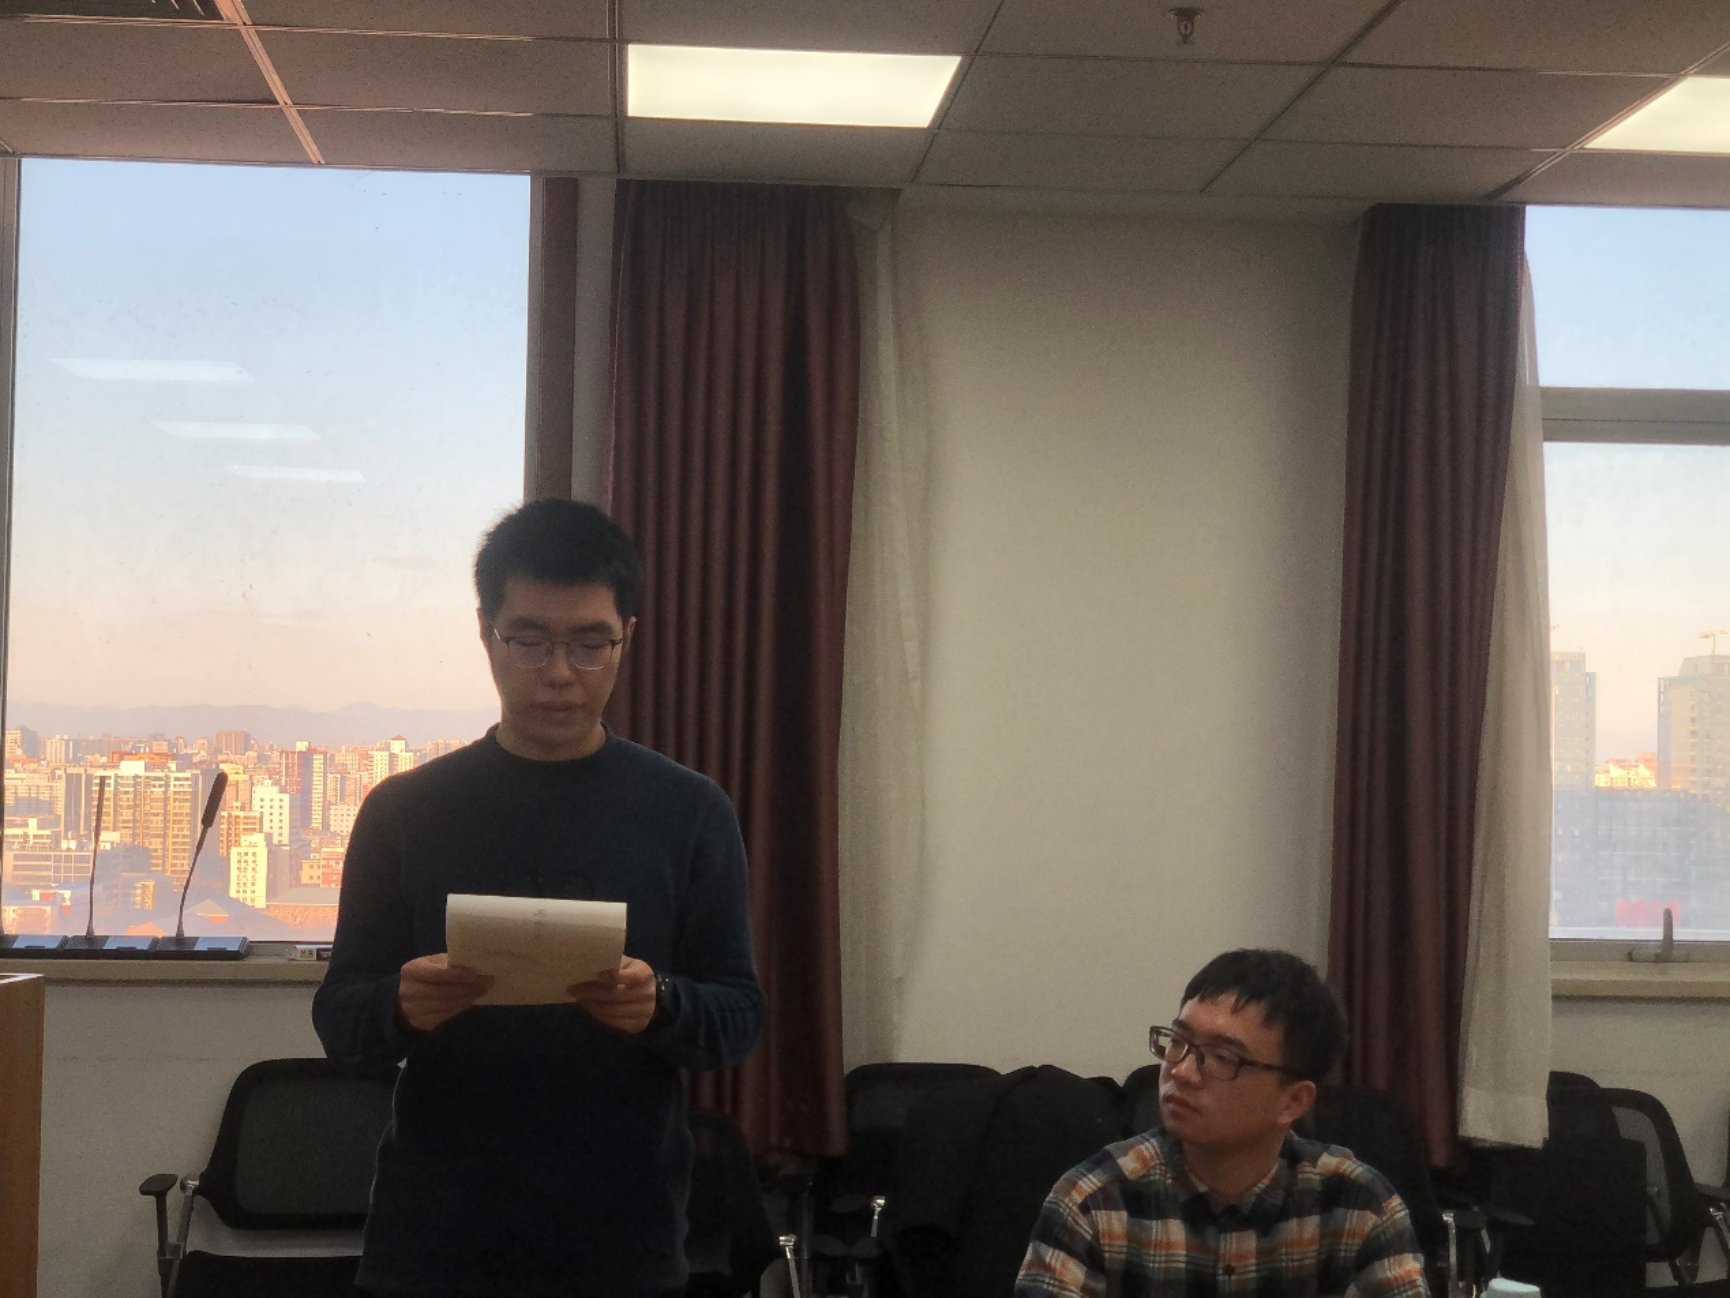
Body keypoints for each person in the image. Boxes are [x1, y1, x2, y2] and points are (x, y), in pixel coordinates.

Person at [313, 498, 766, 1298]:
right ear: (485, 632)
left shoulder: (689, 811)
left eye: (591, 644)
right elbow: (340, 1018)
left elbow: (738, 1016)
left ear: (628, 637)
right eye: (529, 640)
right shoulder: (406, 810)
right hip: (435, 1239)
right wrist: (401, 1005)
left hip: (621, 1239)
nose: (559, 673)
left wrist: (661, 1003)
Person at [1015, 949, 1429, 1298]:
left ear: (1294, 1100)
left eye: (1222, 1058)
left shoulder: (1358, 1206)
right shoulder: (1094, 1201)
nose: (1181, 1072)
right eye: (1178, 1042)